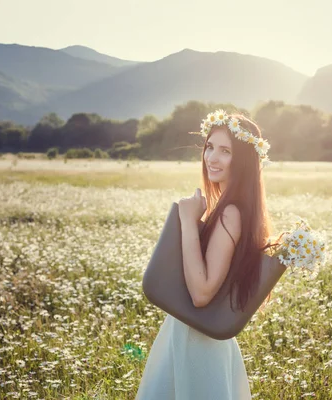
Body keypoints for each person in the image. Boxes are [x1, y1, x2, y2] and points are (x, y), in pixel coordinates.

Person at [135, 110, 276, 400]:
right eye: (210, 147)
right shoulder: (230, 208)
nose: (212, 158)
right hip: (193, 332)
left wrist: (188, 221)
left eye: (225, 151)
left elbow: (201, 293)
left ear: (245, 160)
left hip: (197, 340)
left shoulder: (232, 212)